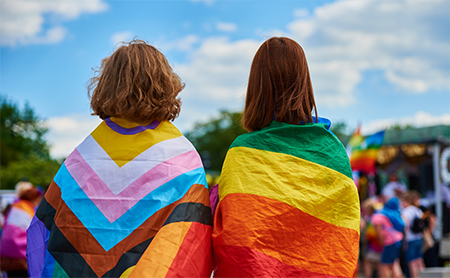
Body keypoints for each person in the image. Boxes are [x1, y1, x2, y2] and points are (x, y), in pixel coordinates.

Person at [26, 40, 213, 278]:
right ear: (166, 85)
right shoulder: (183, 159)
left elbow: (42, 230)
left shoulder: (79, 160)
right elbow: (191, 242)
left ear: (108, 85)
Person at [211, 37, 360, 277]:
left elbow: (236, 236)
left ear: (257, 86)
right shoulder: (333, 152)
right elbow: (342, 239)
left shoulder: (244, 151)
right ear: (305, 82)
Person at [0, 181, 43, 278]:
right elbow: (34, 232)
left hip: (6, 254)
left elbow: (5, 226)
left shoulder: (15, 206)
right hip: (21, 256)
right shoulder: (27, 209)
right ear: (34, 199)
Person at [371, 197, 405, 278]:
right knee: (394, 263)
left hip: (389, 242)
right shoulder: (390, 214)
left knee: (384, 265)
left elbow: (380, 233)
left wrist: (382, 243)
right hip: (397, 240)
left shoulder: (377, 217)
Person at [401, 191, 425, 278]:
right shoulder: (418, 210)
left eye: (403, 201)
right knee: (419, 260)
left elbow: (404, 225)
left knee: (412, 262)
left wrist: (404, 239)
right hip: (419, 237)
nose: (401, 203)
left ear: (407, 201)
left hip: (410, 239)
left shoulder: (406, 211)